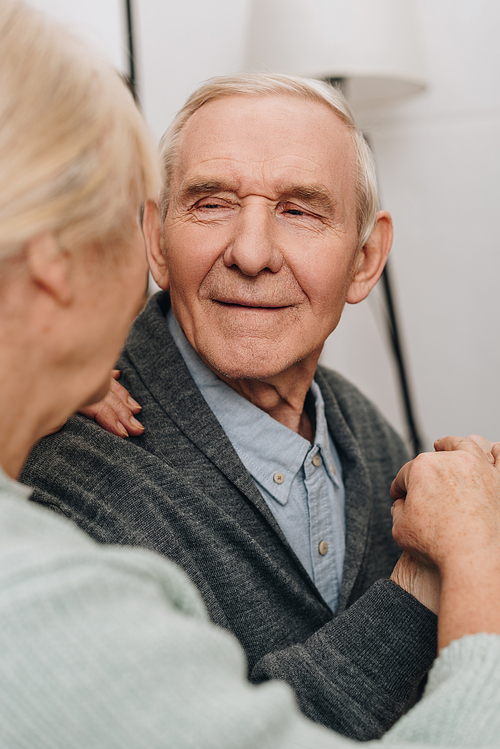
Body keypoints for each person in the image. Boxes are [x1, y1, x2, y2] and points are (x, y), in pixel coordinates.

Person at [2, 2, 500, 747]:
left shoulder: (366, 427)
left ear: (365, 259)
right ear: (155, 239)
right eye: (211, 203)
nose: (254, 251)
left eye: (300, 211)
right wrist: (442, 574)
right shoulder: (64, 468)